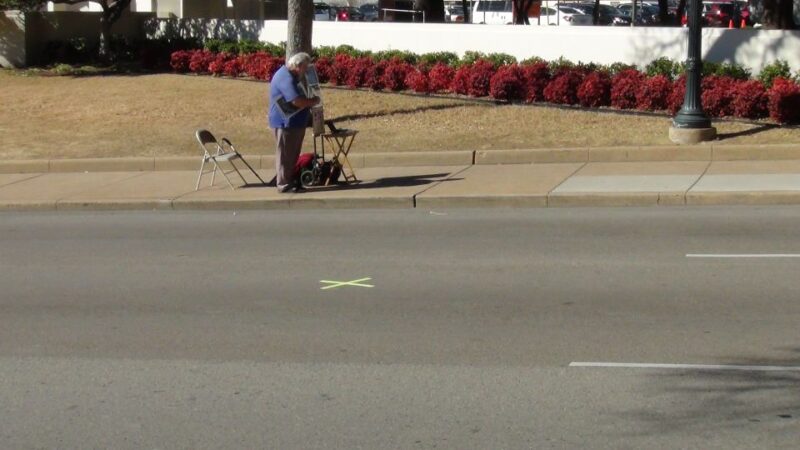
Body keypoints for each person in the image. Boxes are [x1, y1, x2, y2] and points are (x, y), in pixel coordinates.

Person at [268, 52, 321, 193]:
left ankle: (289, 180)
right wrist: (313, 101)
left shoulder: (291, 76)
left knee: (292, 155)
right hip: (285, 124)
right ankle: (283, 184)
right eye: (305, 68)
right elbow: (296, 101)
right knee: (285, 154)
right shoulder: (285, 77)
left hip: (295, 123)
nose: (305, 71)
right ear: (297, 66)